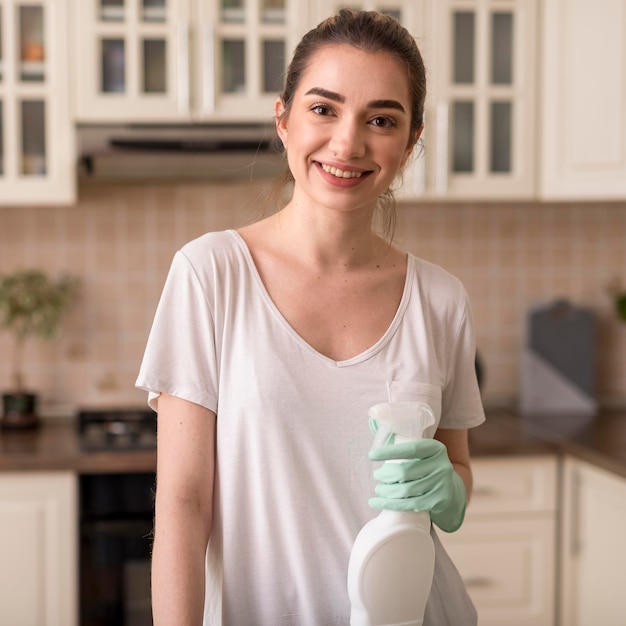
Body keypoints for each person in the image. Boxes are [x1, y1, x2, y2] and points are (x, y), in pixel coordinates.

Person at [136, 8, 485, 625]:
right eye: (323, 109)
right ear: (284, 120)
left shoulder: (441, 300)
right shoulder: (210, 275)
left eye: (381, 119)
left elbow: (455, 476)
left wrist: (450, 489)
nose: (347, 143)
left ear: (409, 144)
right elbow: (184, 504)